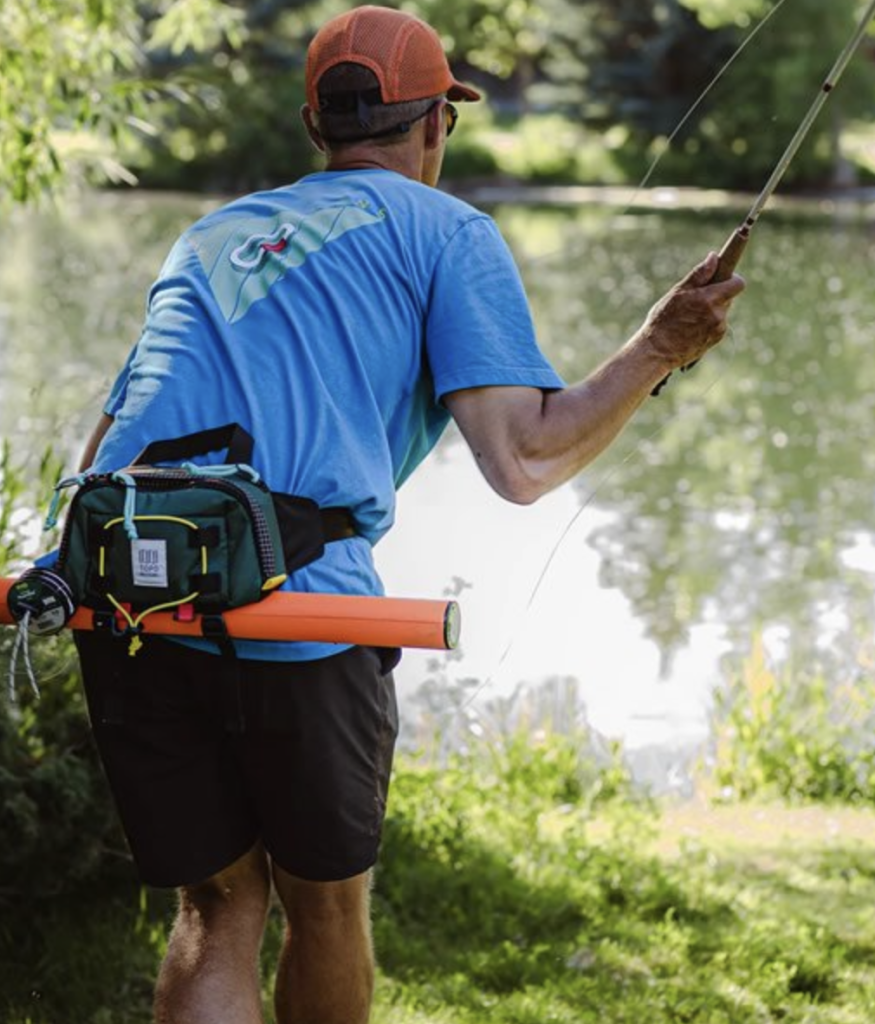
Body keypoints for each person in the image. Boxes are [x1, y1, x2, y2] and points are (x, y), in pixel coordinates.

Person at [73, 6, 746, 1023]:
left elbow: (99, 450)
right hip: (297, 612)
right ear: (436, 126)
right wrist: (659, 347)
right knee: (326, 908)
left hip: (127, 596)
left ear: (316, 127)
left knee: (215, 905)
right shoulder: (447, 232)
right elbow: (522, 459)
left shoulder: (208, 234)